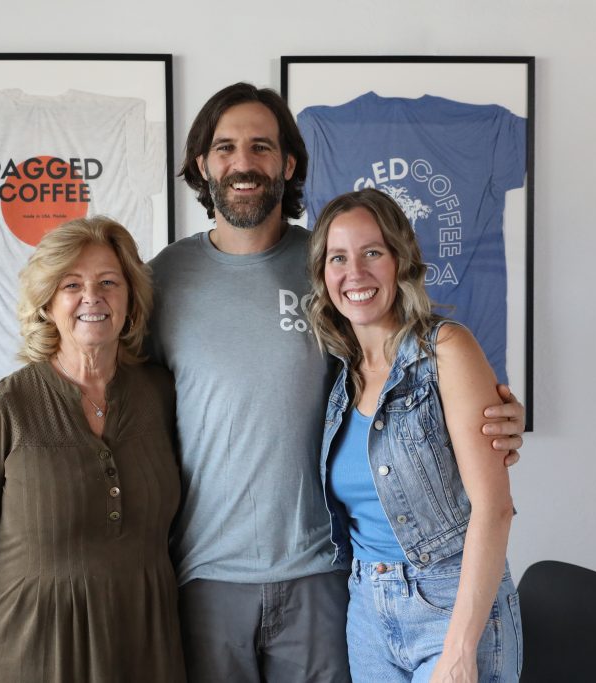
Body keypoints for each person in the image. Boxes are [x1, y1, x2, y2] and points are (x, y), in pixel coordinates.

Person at [147, 83, 527, 682]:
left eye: (261, 147)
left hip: (325, 576)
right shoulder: (163, 278)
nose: (243, 162)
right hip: (208, 575)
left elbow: (417, 367)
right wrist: (7, 438)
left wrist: (499, 411)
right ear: (202, 164)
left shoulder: (322, 263)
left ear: (288, 162)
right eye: (225, 148)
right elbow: (109, 390)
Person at [0, 217, 186, 683]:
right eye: (71, 285)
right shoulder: (2, 410)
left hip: (144, 654)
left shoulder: (163, 396)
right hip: (30, 659)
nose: (92, 297)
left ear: (130, 299)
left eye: (108, 282)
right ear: (46, 303)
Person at [306, 189, 522, 682]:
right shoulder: (340, 376)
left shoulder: (446, 349)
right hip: (367, 610)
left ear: (401, 261)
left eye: (372, 253)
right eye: (338, 258)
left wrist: (461, 648)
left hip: (451, 604)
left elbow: (495, 509)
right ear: (323, 274)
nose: (354, 273)